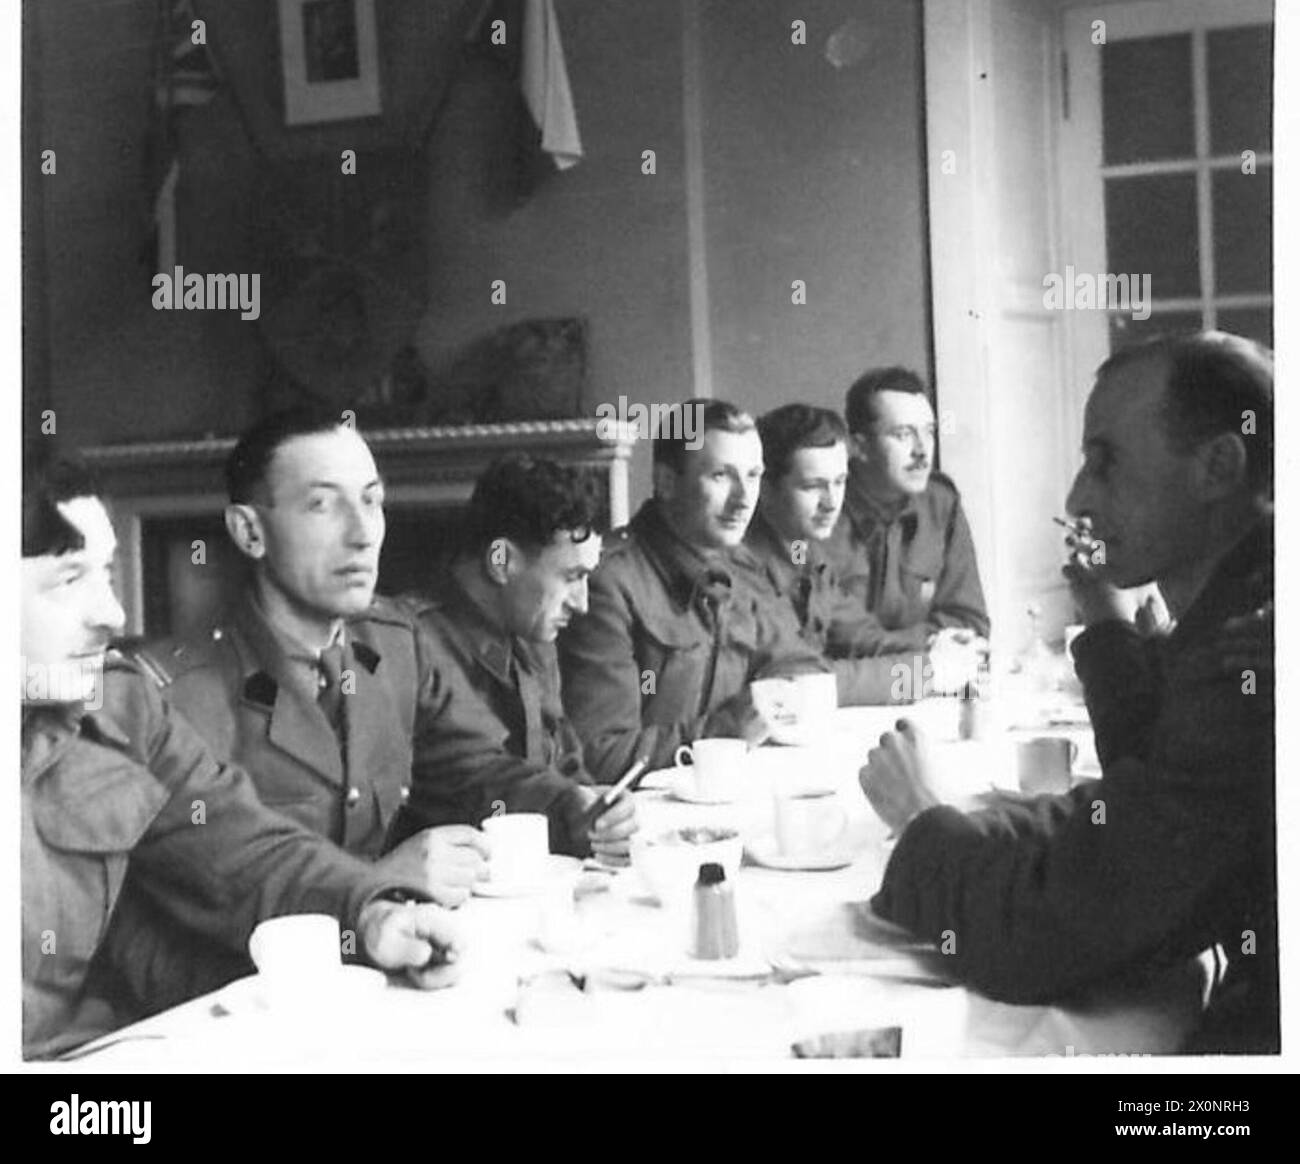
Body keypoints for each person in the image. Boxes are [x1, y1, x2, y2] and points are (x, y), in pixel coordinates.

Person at [860, 333, 1276, 1053]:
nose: (1077, 497)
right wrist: (1104, 615)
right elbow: (1155, 792)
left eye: (1104, 462)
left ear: (1218, 465)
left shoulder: (1258, 647)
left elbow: (1043, 937)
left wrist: (923, 822)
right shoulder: (1249, 601)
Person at [100, 408, 564, 1017]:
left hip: (384, 968)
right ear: (248, 532)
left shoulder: (394, 643)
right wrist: (378, 886)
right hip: (252, 1011)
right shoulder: (170, 694)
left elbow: (478, 769)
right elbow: (216, 882)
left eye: (372, 502)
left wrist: (580, 809)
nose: (362, 533)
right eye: (323, 505)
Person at [21, 448, 463, 1060]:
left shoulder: (118, 706)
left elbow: (243, 849)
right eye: (69, 581)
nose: (113, 615)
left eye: (108, 575)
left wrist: (367, 914)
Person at [559, 399, 829, 781]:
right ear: (667, 482)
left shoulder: (739, 568)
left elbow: (801, 662)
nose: (743, 499)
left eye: (752, 476)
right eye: (721, 476)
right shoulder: (610, 583)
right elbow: (599, 755)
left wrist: (779, 694)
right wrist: (722, 732)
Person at [393, 454, 637, 860]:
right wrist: (569, 804)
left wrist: (599, 801)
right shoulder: (410, 644)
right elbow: (471, 778)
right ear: (501, 561)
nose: (582, 605)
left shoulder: (532, 634)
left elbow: (565, 764)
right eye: (571, 577)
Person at [824, 366, 989, 694]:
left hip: (926, 692)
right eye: (902, 435)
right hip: (847, 695)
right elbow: (832, 635)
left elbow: (969, 622)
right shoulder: (822, 511)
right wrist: (930, 643)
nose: (922, 451)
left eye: (928, 432)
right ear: (858, 447)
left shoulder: (941, 504)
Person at [743, 403, 913, 704]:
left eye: (839, 482)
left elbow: (863, 637)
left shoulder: (807, 554)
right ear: (765, 489)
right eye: (813, 487)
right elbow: (802, 683)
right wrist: (924, 674)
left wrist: (938, 647)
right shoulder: (740, 566)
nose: (832, 502)